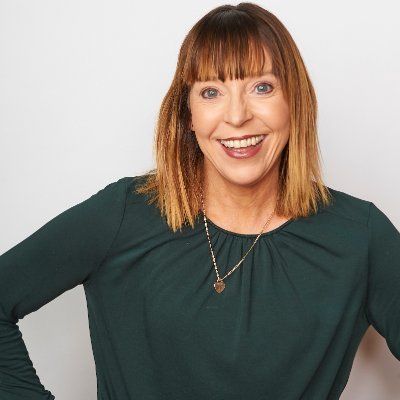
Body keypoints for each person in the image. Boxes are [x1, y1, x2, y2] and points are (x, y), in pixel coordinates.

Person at [0, 3, 399, 399]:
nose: (237, 116)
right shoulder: (123, 215)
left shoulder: (359, 237)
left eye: (262, 87)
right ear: (188, 113)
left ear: (294, 101)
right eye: (211, 92)